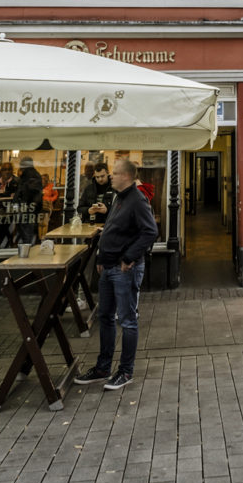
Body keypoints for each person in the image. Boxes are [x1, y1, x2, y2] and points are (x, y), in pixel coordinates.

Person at [73, 158, 157, 392]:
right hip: (108, 267)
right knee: (106, 317)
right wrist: (101, 257)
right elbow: (110, 228)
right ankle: (103, 367)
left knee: (128, 321)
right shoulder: (118, 198)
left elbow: (150, 232)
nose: (111, 176)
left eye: (116, 173)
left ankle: (125, 370)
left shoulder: (137, 200)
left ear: (127, 177)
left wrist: (128, 258)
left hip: (124, 270)